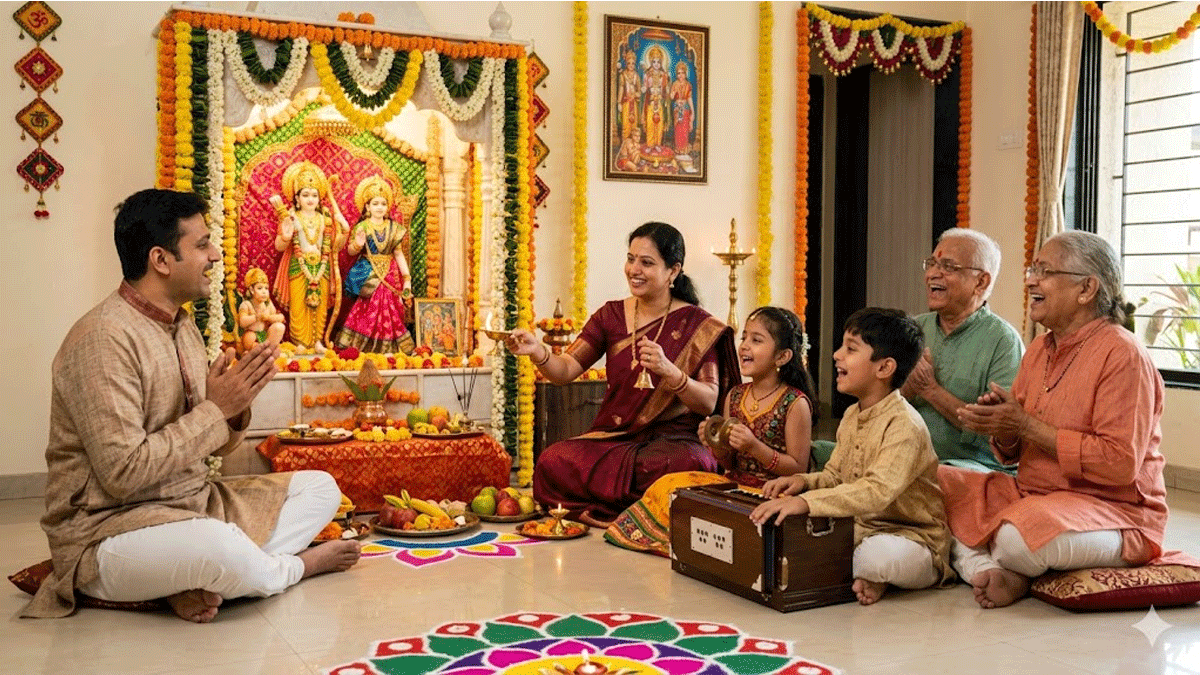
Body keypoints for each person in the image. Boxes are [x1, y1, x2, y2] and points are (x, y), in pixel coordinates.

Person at [23, 189, 360, 622]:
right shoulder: (103, 339)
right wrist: (215, 410)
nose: (215, 254)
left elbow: (210, 443)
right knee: (217, 548)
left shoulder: (182, 327)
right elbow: (123, 474)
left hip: (193, 503)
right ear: (161, 260)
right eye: (202, 244)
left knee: (321, 489)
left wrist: (233, 409)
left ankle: (196, 580)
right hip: (109, 527)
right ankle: (294, 568)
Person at [942, 231, 1168, 609]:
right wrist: (1004, 427)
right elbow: (1016, 452)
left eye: (1044, 272)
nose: (1031, 281)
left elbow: (1119, 463)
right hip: (1033, 495)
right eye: (1032, 270)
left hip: (1112, 511)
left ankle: (984, 564)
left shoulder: (1123, 355)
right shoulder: (1039, 349)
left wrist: (1025, 424)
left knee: (1017, 538)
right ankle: (994, 570)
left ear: (1086, 289)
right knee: (933, 486)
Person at [507, 222, 740, 525]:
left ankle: (623, 510)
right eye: (631, 259)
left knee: (687, 466)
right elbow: (565, 370)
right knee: (553, 461)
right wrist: (538, 351)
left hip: (674, 442)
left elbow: (708, 401)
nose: (634, 270)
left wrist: (670, 372)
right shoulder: (611, 315)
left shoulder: (698, 325)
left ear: (673, 271)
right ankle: (641, 511)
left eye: (647, 262)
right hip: (616, 438)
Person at [751, 308, 954, 606]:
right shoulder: (851, 415)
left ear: (884, 368)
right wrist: (802, 483)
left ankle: (881, 575)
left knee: (876, 557)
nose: (836, 355)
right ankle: (873, 579)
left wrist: (807, 503)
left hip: (911, 538)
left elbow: (876, 491)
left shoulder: (905, 425)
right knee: (797, 544)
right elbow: (835, 476)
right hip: (859, 529)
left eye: (851, 349)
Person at [903, 229, 1024, 473]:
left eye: (948, 266)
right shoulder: (914, 328)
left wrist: (931, 391)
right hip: (905, 456)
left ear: (981, 282)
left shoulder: (1003, 341)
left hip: (970, 466)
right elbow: (879, 405)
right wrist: (906, 388)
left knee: (936, 475)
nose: (932, 274)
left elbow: (1000, 431)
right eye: (932, 263)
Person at [699, 306, 817, 487]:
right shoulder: (735, 395)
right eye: (744, 338)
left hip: (775, 492)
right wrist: (715, 444)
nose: (744, 346)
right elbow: (730, 464)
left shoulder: (795, 403)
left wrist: (754, 446)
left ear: (782, 356)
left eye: (756, 340)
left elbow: (799, 469)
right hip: (735, 487)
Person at [269, 161, 349, 351]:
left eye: (314, 195)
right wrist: (285, 236)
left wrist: (345, 230)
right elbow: (279, 246)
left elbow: (336, 247)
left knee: (320, 307)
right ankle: (299, 343)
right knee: (298, 306)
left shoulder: (325, 218)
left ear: (320, 198)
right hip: (299, 266)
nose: (310, 199)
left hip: (322, 267)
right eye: (305, 195)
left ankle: (317, 341)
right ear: (297, 198)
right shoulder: (291, 217)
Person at [334, 175, 416, 355]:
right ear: (367, 207)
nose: (380, 207)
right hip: (368, 274)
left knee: (390, 308)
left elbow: (398, 254)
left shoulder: (394, 228)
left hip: (389, 274)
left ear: (388, 207)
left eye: (383, 204)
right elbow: (350, 252)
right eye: (375, 204)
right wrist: (357, 244)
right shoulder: (362, 226)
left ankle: (390, 348)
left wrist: (407, 280)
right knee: (367, 308)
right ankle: (361, 347)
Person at [238, 267, 286, 352]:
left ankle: (268, 350)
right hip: (252, 336)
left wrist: (268, 317)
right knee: (250, 336)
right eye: (259, 288)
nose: (264, 292)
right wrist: (255, 317)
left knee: (279, 327)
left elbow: (280, 318)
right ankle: (256, 352)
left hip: (265, 335)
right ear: (252, 290)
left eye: (266, 288)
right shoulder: (247, 304)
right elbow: (242, 322)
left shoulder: (267, 304)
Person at [641, 47, 670, 149]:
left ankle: (658, 144)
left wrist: (667, 88)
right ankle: (650, 144)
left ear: (661, 63)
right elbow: (645, 87)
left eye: (658, 62)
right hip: (651, 102)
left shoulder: (664, 75)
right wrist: (644, 88)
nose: (656, 64)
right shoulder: (647, 74)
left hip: (660, 102)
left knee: (659, 123)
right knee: (650, 123)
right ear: (651, 62)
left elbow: (665, 89)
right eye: (654, 62)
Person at [669, 60, 694, 153]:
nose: (680, 75)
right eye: (678, 73)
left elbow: (689, 98)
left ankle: (684, 148)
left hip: (685, 108)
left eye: (682, 73)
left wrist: (693, 111)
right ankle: (678, 148)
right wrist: (673, 92)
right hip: (677, 108)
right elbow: (671, 97)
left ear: (685, 74)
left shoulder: (688, 85)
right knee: (678, 128)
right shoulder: (675, 84)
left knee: (684, 128)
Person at [617, 47, 641, 141]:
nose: (631, 65)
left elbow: (639, 91)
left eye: (633, 63)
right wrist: (619, 102)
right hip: (626, 103)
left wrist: (636, 94)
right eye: (629, 63)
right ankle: (625, 144)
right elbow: (621, 89)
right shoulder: (623, 75)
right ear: (626, 64)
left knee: (634, 124)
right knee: (626, 124)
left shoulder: (636, 76)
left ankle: (634, 144)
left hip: (634, 103)